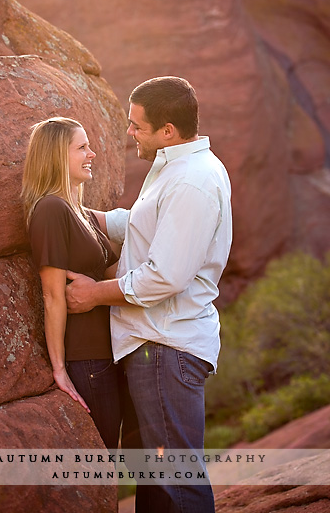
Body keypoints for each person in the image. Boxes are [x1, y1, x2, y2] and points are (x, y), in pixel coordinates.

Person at [66, 76, 233, 512]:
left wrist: (95, 294)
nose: (129, 134)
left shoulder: (192, 180)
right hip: (152, 345)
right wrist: (84, 216)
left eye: (136, 126)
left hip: (164, 346)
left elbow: (165, 276)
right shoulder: (173, 169)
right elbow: (144, 225)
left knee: (176, 484)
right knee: (156, 489)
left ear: (168, 132)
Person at [21, 117, 122, 451]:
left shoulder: (80, 212)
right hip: (87, 360)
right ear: (56, 156)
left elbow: (112, 271)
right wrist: (60, 370)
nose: (91, 154)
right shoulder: (51, 210)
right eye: (82, 148)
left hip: (110, 353)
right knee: (101, 458)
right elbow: (52, 296)